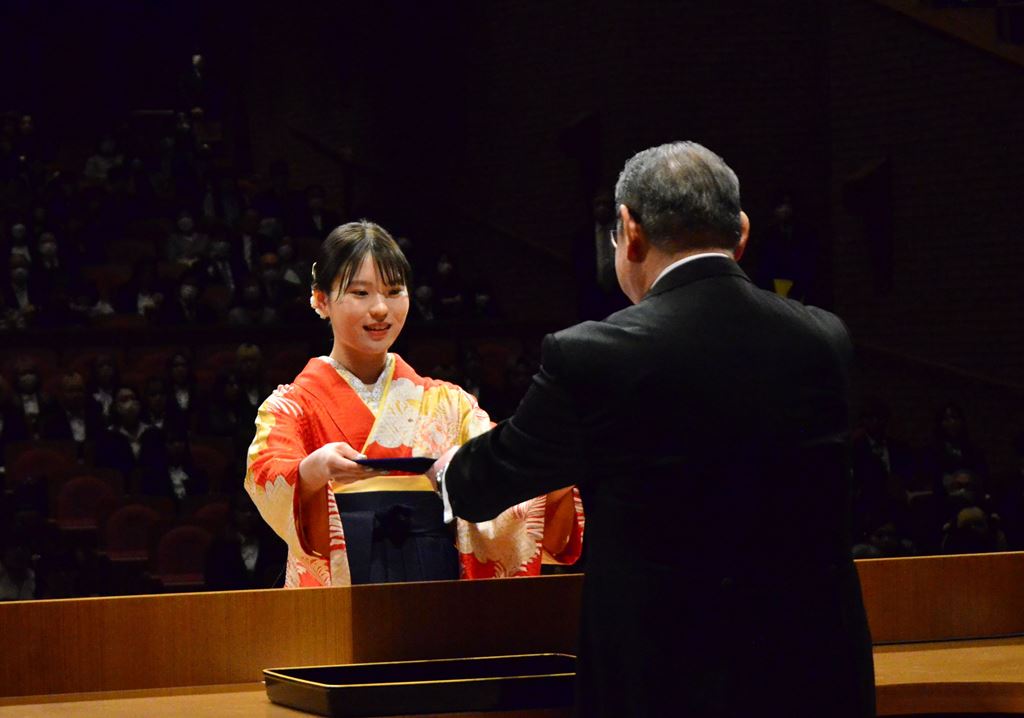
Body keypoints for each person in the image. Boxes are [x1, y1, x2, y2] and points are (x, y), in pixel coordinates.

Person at [430, 142, 875, 717]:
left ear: (628, 230)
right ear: (741, 233)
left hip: (666, 681)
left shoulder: (595, 355)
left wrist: (447, 472)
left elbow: (488, 480)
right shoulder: (825, 338)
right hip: (816, 677)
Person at [245, 221, 582, 587]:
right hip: (341, 577)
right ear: (321, 299)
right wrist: (312, 471)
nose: (380, 309)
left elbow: (500, 470)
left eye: (394, 291)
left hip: (434, 576)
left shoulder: (450, 404)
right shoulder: (291, 406)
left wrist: (551, 481)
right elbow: (267, 469)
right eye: (360, 293)